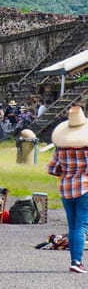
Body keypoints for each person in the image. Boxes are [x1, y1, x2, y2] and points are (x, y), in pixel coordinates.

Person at [47, 104, 88, 273]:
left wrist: (66, 172)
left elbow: (51, 169)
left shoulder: (60, 150)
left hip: (66, 189)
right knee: (82, 225)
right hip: (85, 187)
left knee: (72, 226)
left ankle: (74, 260)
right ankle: (77, 261)